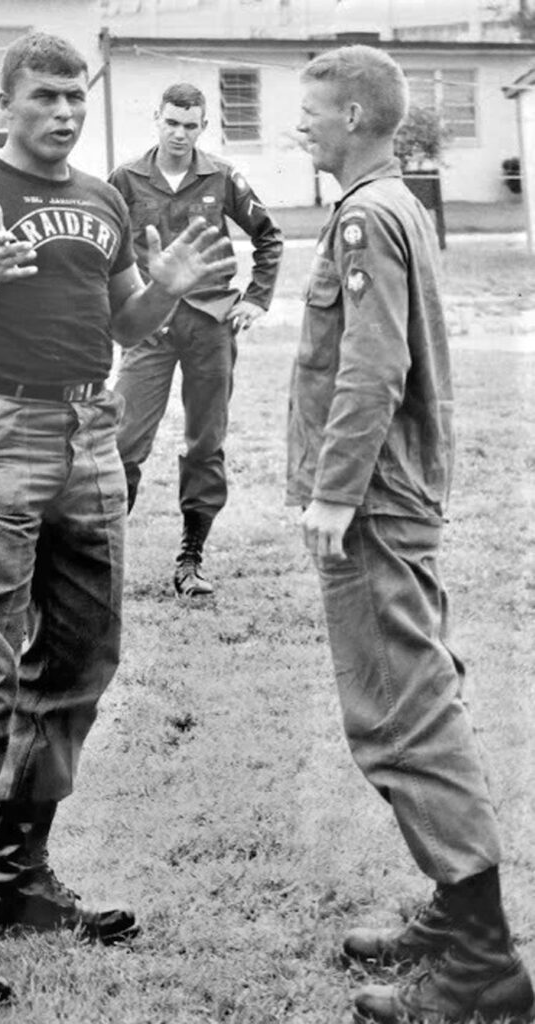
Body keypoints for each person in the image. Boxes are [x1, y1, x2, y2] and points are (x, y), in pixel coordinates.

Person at [0, 32, 236, 1010]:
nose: (66, 110)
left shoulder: (107, 199)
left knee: (82, 656)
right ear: (7, 100)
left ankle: (17, 880)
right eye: (47, 94)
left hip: (89, 428)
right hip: (2, 427)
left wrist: (165, 288)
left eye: (77, 94)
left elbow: (122, 322)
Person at [287, 45, 533, 1024]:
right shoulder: (395, 205)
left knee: (402, 715)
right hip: (397, 495)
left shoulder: (365, 216)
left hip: (375, 502)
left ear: (351, 114)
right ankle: (453, 911)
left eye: (311, 111)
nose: (301, 126)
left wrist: (335, 493)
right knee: (415, 695)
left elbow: (372, 367)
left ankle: (481, 962)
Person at [110, 83, 283, 597]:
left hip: (210, 323)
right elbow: (105, 246)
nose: (180, 134)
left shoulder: (222, 176)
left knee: (205, 442)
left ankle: (191, 559)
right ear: (156, 119)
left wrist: (256, 297)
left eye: (190, 125)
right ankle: (100, 558)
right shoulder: (126, 178)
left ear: (203, 127)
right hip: (151, 326)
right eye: (172, 123)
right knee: (123, 439)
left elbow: (268, 234)